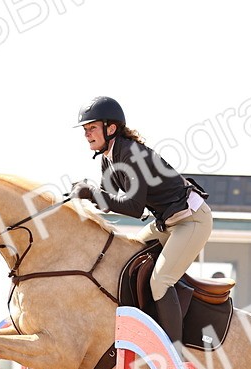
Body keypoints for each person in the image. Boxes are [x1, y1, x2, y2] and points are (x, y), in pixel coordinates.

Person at [70, 96, 212, 347]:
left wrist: (90, 192)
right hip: (166, 223)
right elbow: (107, 202)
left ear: (110, 128)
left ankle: (174, 355)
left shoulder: (130, 154)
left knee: (160, 281)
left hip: (192, 221)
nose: (87, 134)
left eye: (91, 128)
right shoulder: (108, 158)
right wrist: (74, 206)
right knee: (126, 255)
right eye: (85, 130)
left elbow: (133, 209)